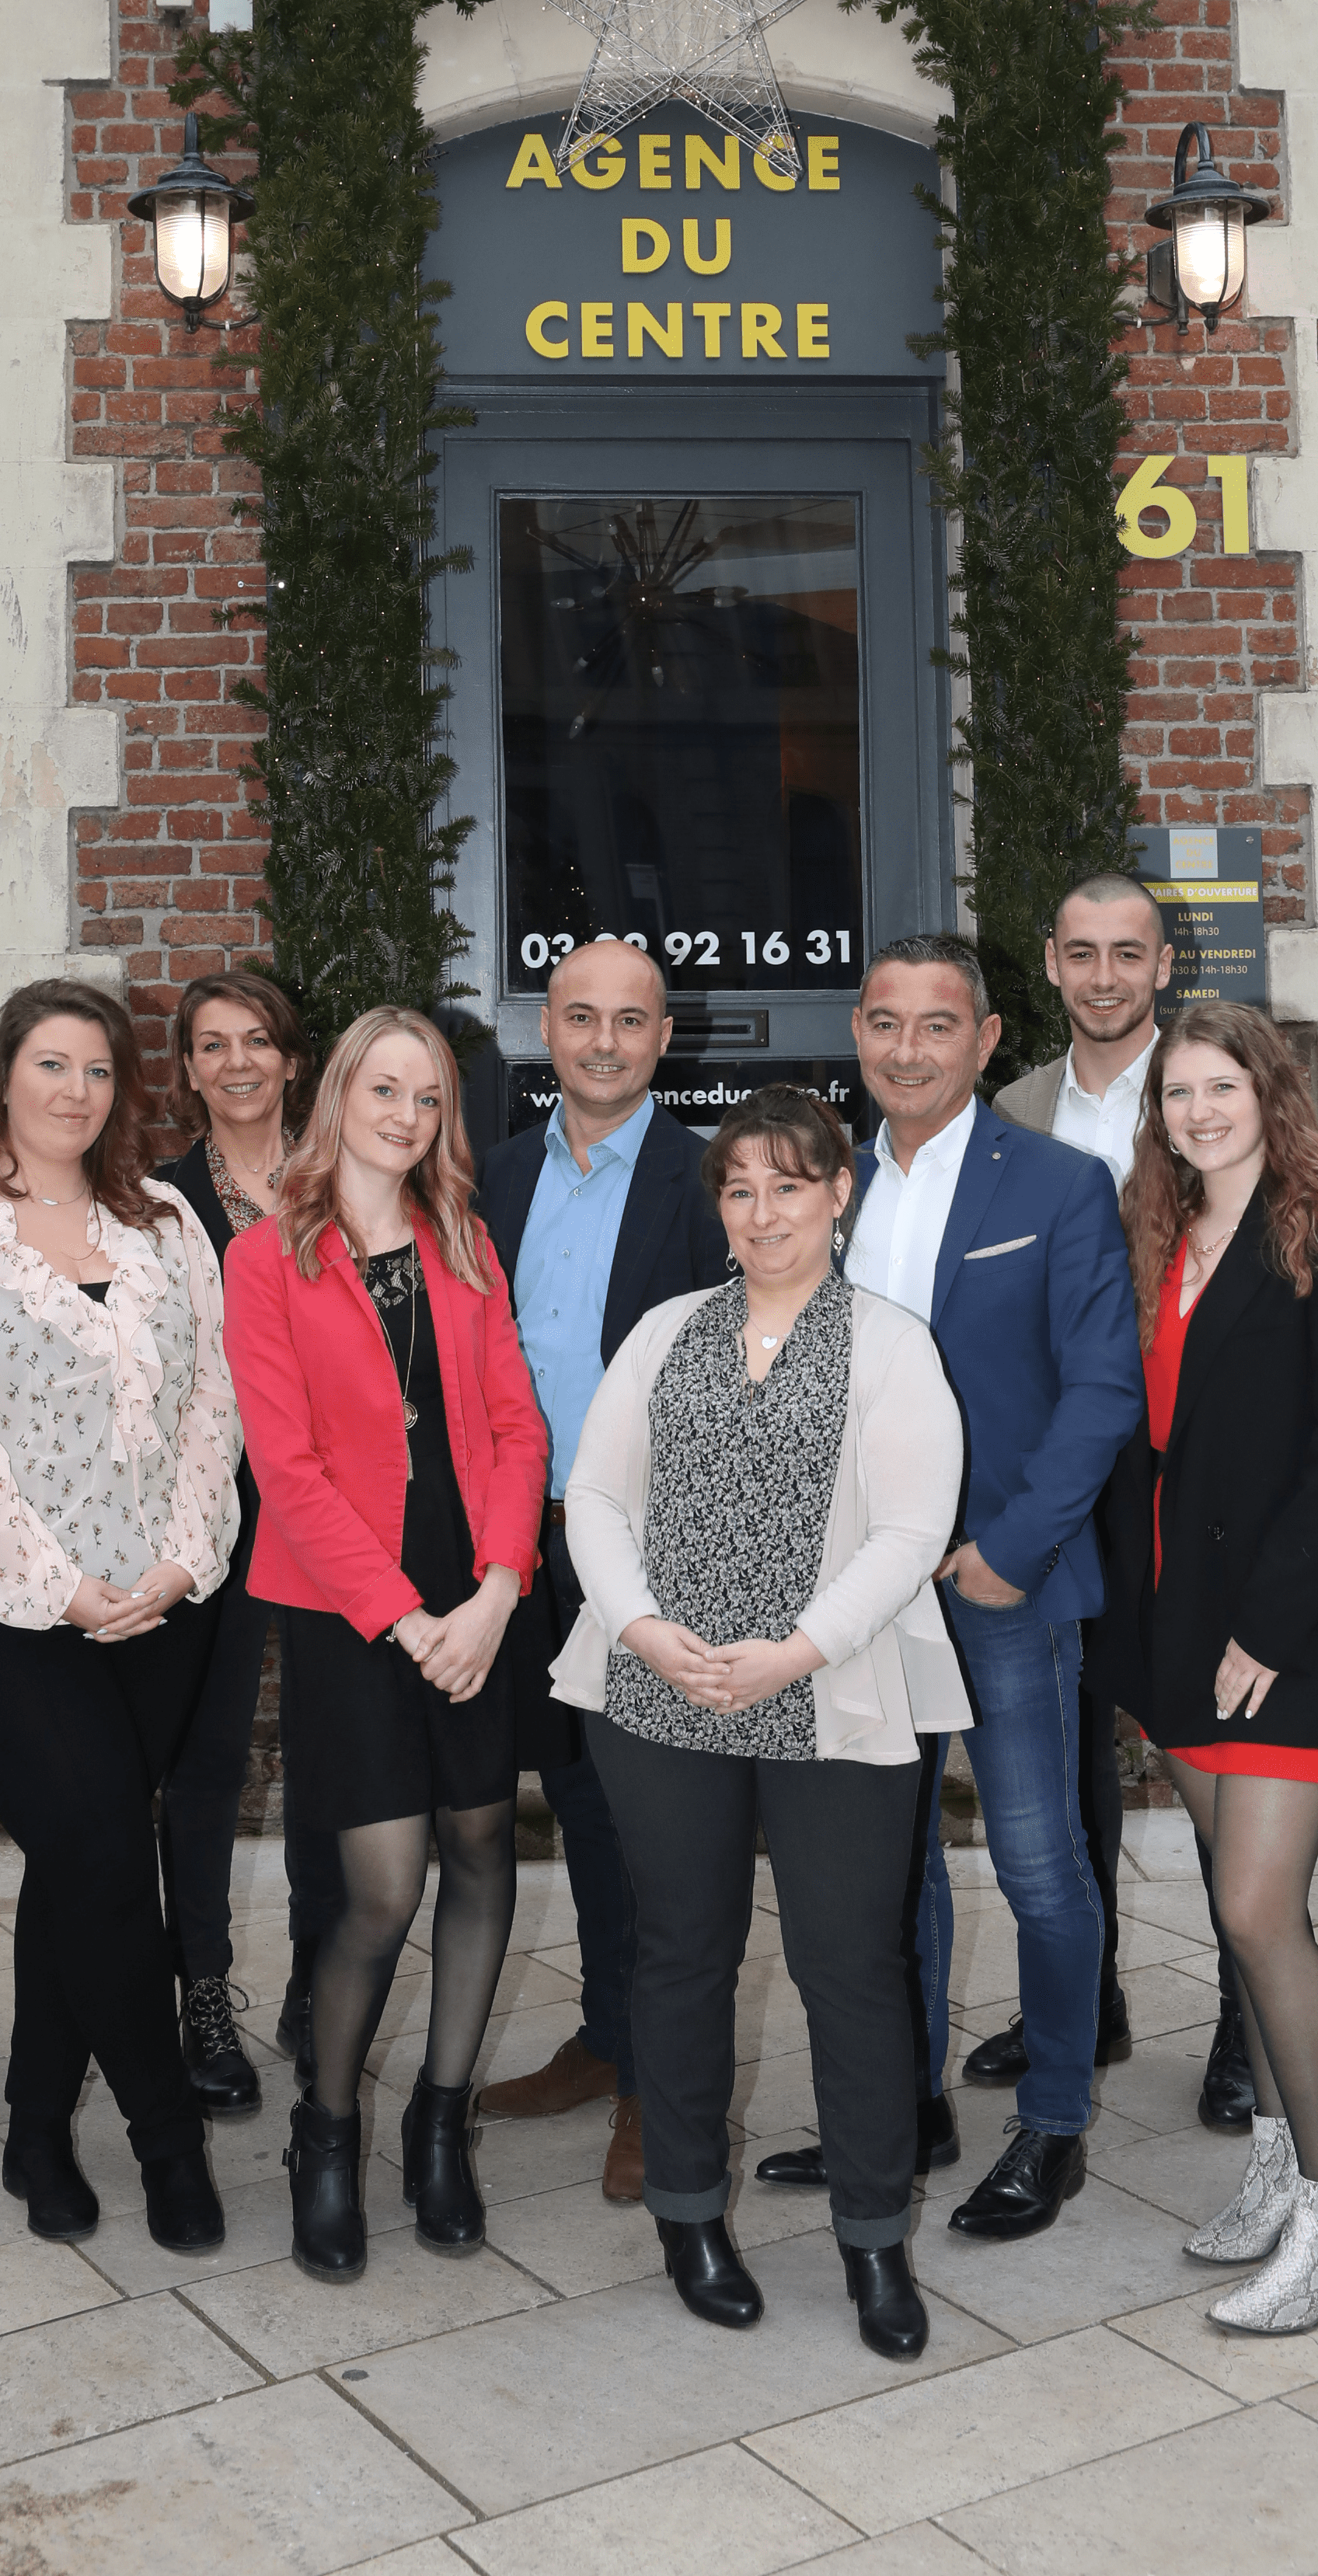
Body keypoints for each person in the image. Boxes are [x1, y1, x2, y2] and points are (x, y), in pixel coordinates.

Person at [557, 1086, 971, 2361]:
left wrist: (796, 1650)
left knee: (850, 1968)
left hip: (833, 1692)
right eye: (739, 1189)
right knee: (680, 1957)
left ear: (839, 1196)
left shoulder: (894, 1345)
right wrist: (641, 1630)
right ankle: (689, 2218)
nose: (763, 1212)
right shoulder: (665, 1331)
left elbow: (912, 1531)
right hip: (660, 1692)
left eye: (790, 1185)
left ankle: (872, 2240)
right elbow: (594, 1497)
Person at [0, 981, 242, 2257]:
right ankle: (164, 2142)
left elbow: (213, 1408)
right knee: (103, 1853)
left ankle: (36, 2129)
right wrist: (60, 1588)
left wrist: (188, 1560)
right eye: (51, 1065)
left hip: (157, 1604)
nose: (75, 1091)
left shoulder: (168, 1222)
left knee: (81, 1865)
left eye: (97, 1070)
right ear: (5, 1078)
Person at [793, 936, 1146, 2248]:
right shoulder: (824, 1182)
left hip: (1000, 1578)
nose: (906, 1049)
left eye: (935, 1027)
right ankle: (907, 2107)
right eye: (884, 1023)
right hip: (859, 1584)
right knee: (890, 1867)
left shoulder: (1058, 1185)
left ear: (988, 1039)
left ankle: (1052, 2120)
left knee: (1039, 1862)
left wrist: (1016, 1548)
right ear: (859, 1029)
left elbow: (1103, 1388)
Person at [1093, 1002, 1318, 2336]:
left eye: (1223, 1087)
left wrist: (1265, 1635)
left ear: (1271, 1095)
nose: (1199, 1112)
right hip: (1183, 1626)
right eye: (1178, 1092)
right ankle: (1282, 2177)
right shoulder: (1157, 1237)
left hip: (1289, 1632)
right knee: (1236, 1919)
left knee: (1266, 1914)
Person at [223, 1008, 549, 2281]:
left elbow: (520, 1430)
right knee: (379, 1891)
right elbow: (286, 1470)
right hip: (353, 1617)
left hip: (474, 1606)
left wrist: (499, 1590)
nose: (407, 1116)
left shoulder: (463, 1242)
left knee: (480, 1847)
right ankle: (328, 2131)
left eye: (430, 1099)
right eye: (387, 1089)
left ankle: (442, 2124)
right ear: (340, 1091)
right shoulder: (268, 1258)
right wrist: (405, 1617)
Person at [989, 873, 1254, 2133]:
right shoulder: (1016, 1108)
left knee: (1202, 1747)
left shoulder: (1202, 1091)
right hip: (1056, 1476)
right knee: (1066, 1747)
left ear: (1164, 966)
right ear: (1050, 962)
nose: (1104, 976)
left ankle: (1247, 2015)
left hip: (1180, 1468)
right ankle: (1080, 1998)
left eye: (1128, 955)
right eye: (1082, 952)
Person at [476, 939, 733, 2205]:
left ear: (664, 1036)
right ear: (545, 1028)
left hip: (649, 1549)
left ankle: (662, 2084)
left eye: (629, 1022)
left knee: (661, 1823)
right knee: (573, 1798)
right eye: (581, 1018)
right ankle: (605, 2033)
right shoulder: (498, 1174)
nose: (603, 1042)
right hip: (527, 1540)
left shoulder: (708, 1178)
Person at [152, 968, 343, 2114]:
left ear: (290, 1059)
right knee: (208, 1759)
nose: (236, 1063)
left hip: (331, 1505)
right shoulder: (158, 1200)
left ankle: (322, 1979)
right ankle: (203, 1988)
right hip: (208, 1509)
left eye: (256, 1041)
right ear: (187, 1069)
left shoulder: (346, 1183)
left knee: (332, 1747)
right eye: (212, 1045)